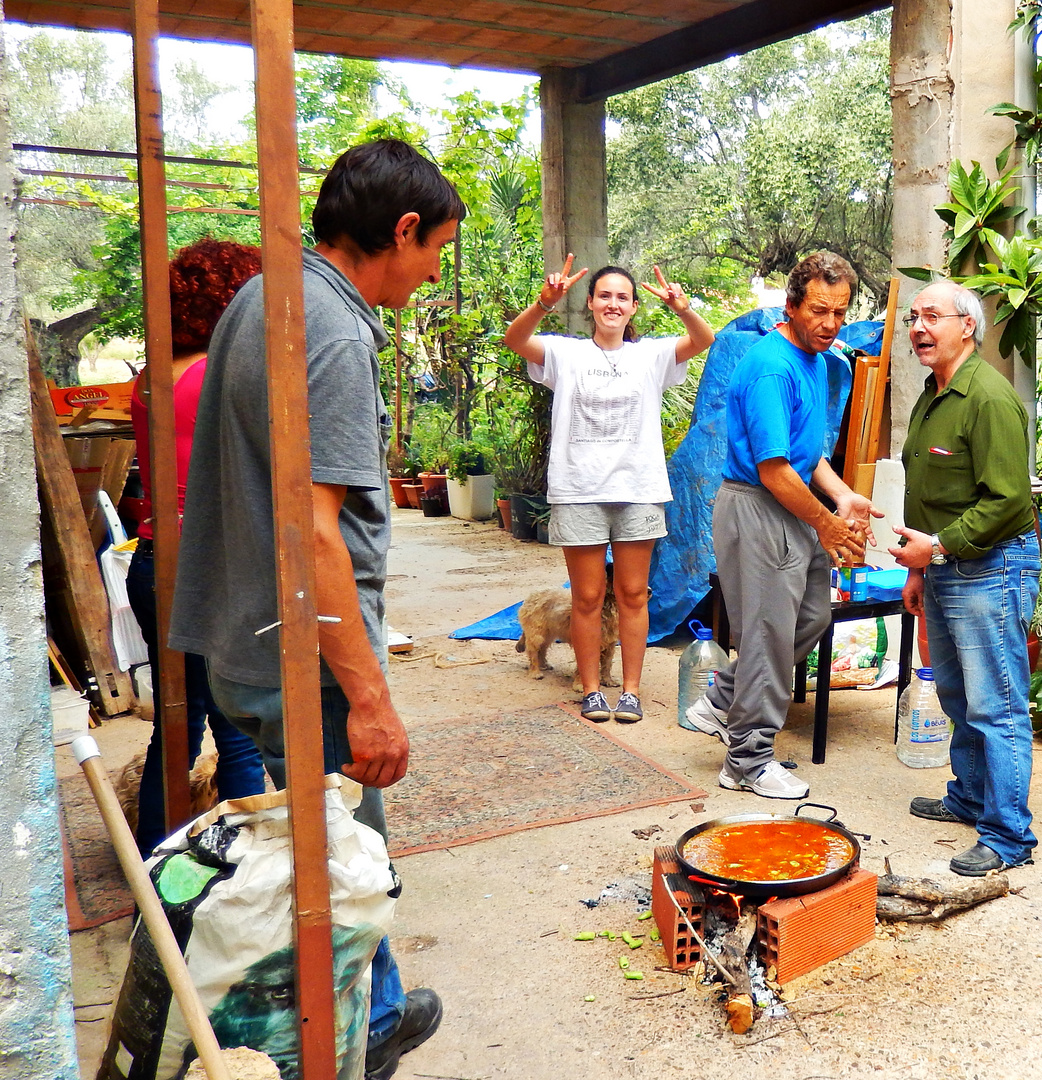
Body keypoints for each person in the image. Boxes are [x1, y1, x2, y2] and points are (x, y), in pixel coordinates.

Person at [170, 139, 465, 1079]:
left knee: (312, 846)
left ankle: (365, 1008)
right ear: (402, 230)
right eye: (434, 254)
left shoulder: (262, 297)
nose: (428, 277)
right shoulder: (332, 333)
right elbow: (316, 536)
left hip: (241, 632)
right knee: (339, 857)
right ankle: (353, 1031)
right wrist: (371, 695)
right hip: (299, 649)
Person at [684, 251, 880, 799]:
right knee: (769, 635)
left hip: (793, 505)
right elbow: (773, 470)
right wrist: (826, 524)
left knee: (812, 614)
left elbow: (806, 453)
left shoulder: (817, 360)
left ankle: (723, 699)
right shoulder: (773, 365)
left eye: (840, 313)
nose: (831, 324)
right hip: (758, 505)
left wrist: (844, 496)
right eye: (820, 310)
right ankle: (746, 759)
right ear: (791, 304)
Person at [502, 257, 715, 724]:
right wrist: (544, 302)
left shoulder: (651, 355)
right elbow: (515, 340)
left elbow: (703, 340)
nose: (613, 303)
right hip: (579, 490)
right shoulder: (565, 353)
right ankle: (592, 690)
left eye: (622, 297)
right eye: (605, 295)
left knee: (634, 594)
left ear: (634, 307)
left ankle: (632, 691)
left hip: (638, 489)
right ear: (591, 304)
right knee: (587, 598)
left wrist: (682, 307)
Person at [891, 281, 1040, 877]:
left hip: (992, 567)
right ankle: (971, 799)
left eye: (932, 316)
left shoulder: (989, 398)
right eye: (912, 317)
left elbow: (1008, 499)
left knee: (997, 706)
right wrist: (921, 573)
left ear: (967, 327)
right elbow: (929, 494)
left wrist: (938, 549)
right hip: (947, 569)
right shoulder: (934, 395)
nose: (918, 327)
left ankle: (1007, 837)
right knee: (956, 696)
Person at [127, 238, 267, 858]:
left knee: (176, 727)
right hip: (211, 565)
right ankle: (250, 866)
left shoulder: (149, 376)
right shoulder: (218, 371)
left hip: (154, 561)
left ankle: (157, 869)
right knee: (239, 729)